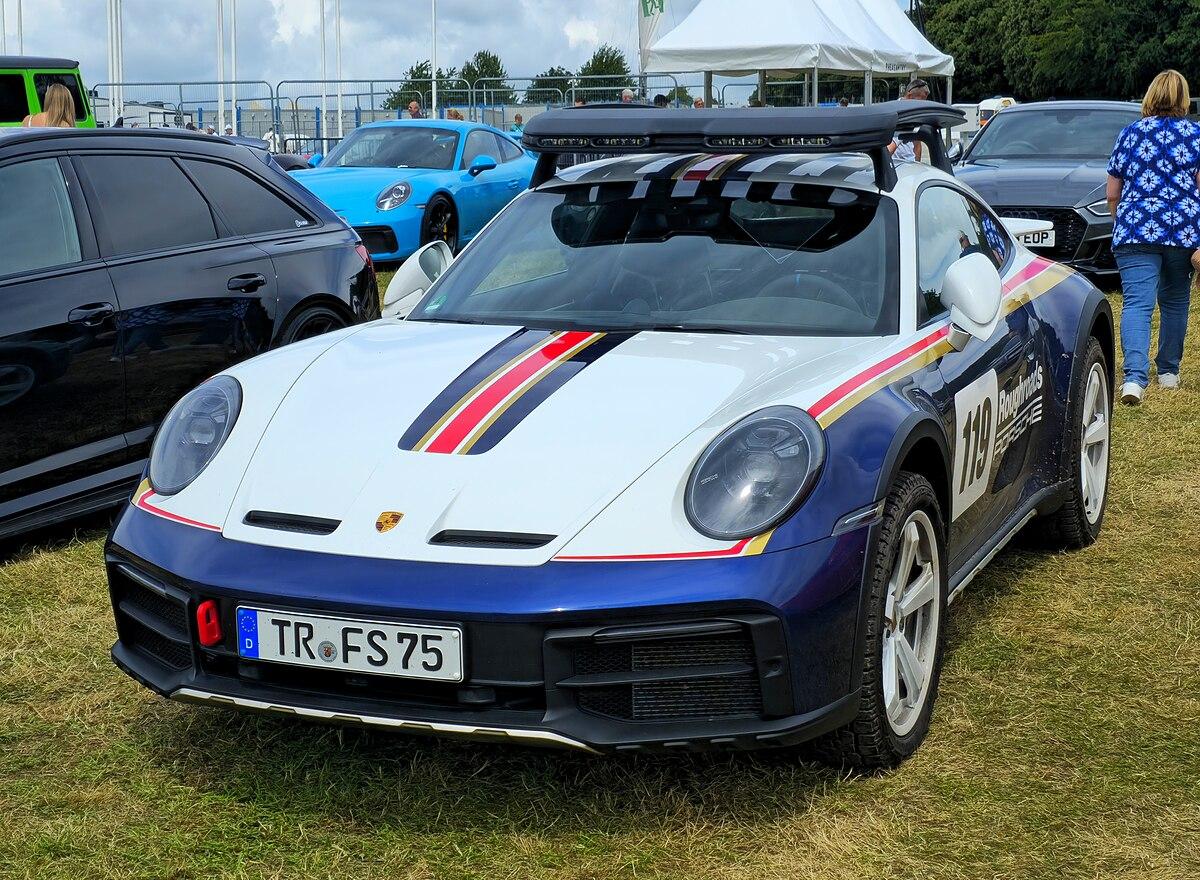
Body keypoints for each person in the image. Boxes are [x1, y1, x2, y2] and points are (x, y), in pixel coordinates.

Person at [1106, 69, 1200, 404]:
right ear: (1183, 99)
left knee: (1137, 303)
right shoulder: (1196, 135)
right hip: (1182, 230)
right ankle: (1169, 373)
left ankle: (1133, 379)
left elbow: (1113, 192)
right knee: (1175, 301)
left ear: (1150, 96)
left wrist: (1121, 220)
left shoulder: (1130, 134)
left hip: (1135, 228)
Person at [888, 79, 930, 163]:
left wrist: (917, 164)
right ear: (910, 96)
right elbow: (889, 146)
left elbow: (917, 144)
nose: (922, 106)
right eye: (920, 101)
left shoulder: (916, 113)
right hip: (893, 162)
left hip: (910, 162)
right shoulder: (891, 111)